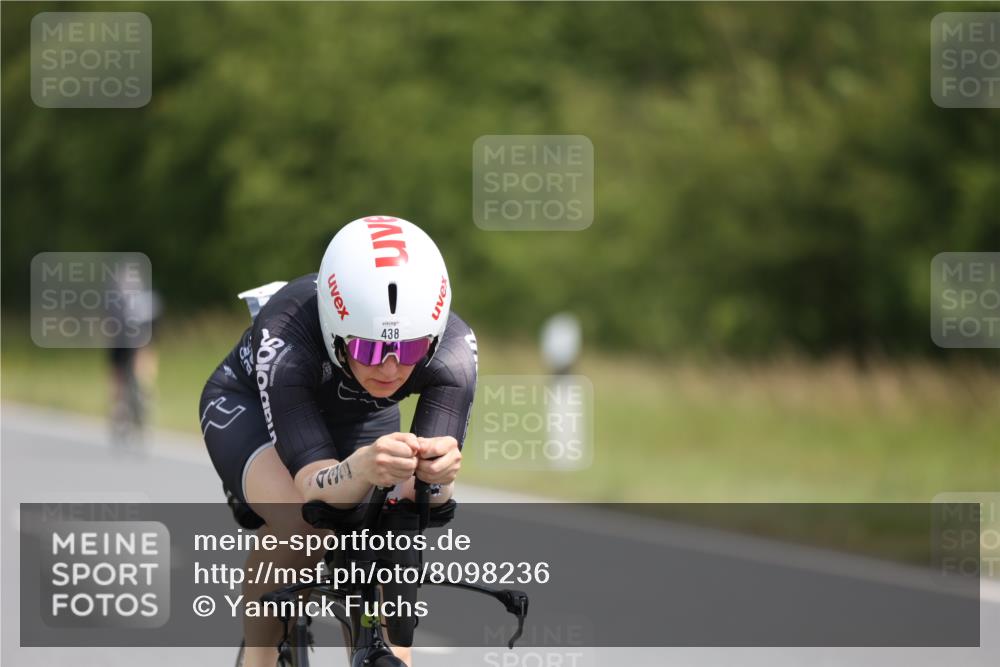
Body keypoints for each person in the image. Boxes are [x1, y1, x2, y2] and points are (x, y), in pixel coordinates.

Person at [199, 216, 478, 667]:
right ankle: (260, 656)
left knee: (393, 531)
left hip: (360, 409)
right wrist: (362, 469)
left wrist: (439, 476)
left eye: (408, 351)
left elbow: (422, 502)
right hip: (248, 403)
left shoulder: (454, 351)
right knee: (306, 527)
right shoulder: (285, 330)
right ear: (334, 328)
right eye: (369, 349)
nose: (389, 369)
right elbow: (313, 485)